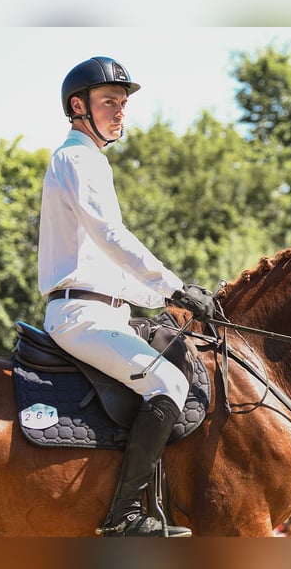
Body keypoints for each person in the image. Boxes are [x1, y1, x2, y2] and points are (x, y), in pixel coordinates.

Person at [38, 56, 214, 538]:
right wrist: (173, 286)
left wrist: (172, 302)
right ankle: (123, 517)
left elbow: (109, 266)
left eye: (123, 103)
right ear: (79, 106)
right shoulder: (77, 158)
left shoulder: (90, 161)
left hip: (106, 309)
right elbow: (112, 236)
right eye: (109, 102)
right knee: (171, 385)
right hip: (81, 314)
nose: (121, 112)